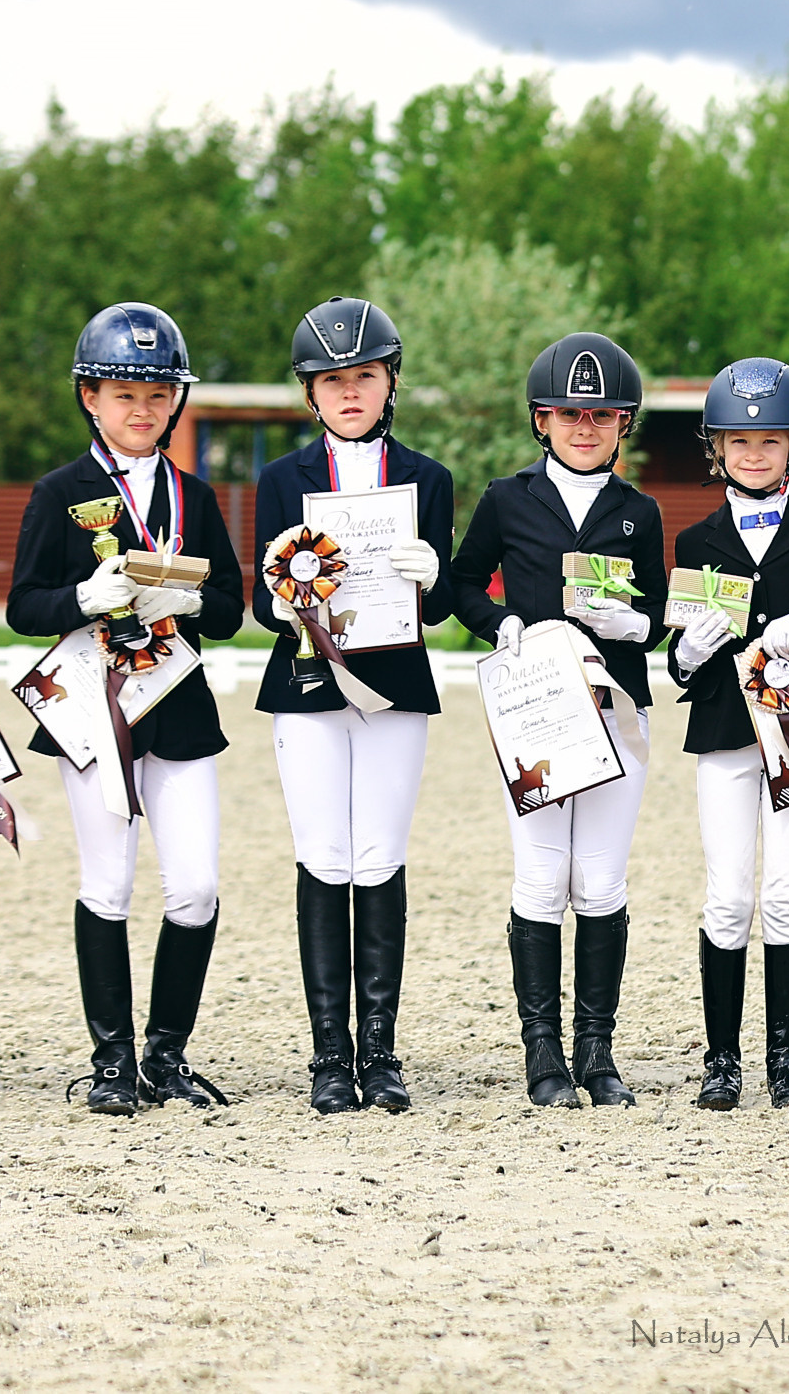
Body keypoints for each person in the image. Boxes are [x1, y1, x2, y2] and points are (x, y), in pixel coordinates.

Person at [7, 302, 245, 1115]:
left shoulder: (194, 494)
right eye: (123, 394)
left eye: (156, 394)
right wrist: (84, 596)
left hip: (178, 707)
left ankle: (165, 1055)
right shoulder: (59, 492)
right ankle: (110, 1061)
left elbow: (231, 609)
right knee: (107, 883)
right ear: (90, 396)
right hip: (94, 708)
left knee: (197, 887)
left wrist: (187, 599)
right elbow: (22, 604)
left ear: (175, 401)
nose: (141, 409)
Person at [453, 332, 668, 1108]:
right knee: (543, 876)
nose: (585, 427)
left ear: (623, 423)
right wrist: (500, 622)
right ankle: (542, 1050)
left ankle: (596, 1050)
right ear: (541, 419)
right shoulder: (506, 498)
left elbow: (658, 612)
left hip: (616, 709)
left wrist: (636, 627)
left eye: (602, 415)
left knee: (600, 879)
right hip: (537, 711)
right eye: (569, 413)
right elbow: (461, 583)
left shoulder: (639, 511)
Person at [252, 297, 453, 1114]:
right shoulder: (281, 479)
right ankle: (330, 1055)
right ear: (310, 391)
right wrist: (285, 595)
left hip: (395, 684)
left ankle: (381, 1050)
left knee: (380, 856)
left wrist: (433, 575)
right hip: (308, 684)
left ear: (390, 381)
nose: (349, 392)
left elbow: (441, 606)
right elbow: (262, 602)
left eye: (364, 376)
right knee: (323, 855)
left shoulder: (429, 478)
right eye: (331, 380)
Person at [666, 358, 789, 1110]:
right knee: (727, 898)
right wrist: (688, 655)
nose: (754, 454)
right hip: (724, 735)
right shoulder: (696, 541)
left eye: (770, 441)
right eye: (739, 442)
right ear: (717, 448)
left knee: (785, 894)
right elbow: (679, 659)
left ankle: (785, 1061)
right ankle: (722, 1061)